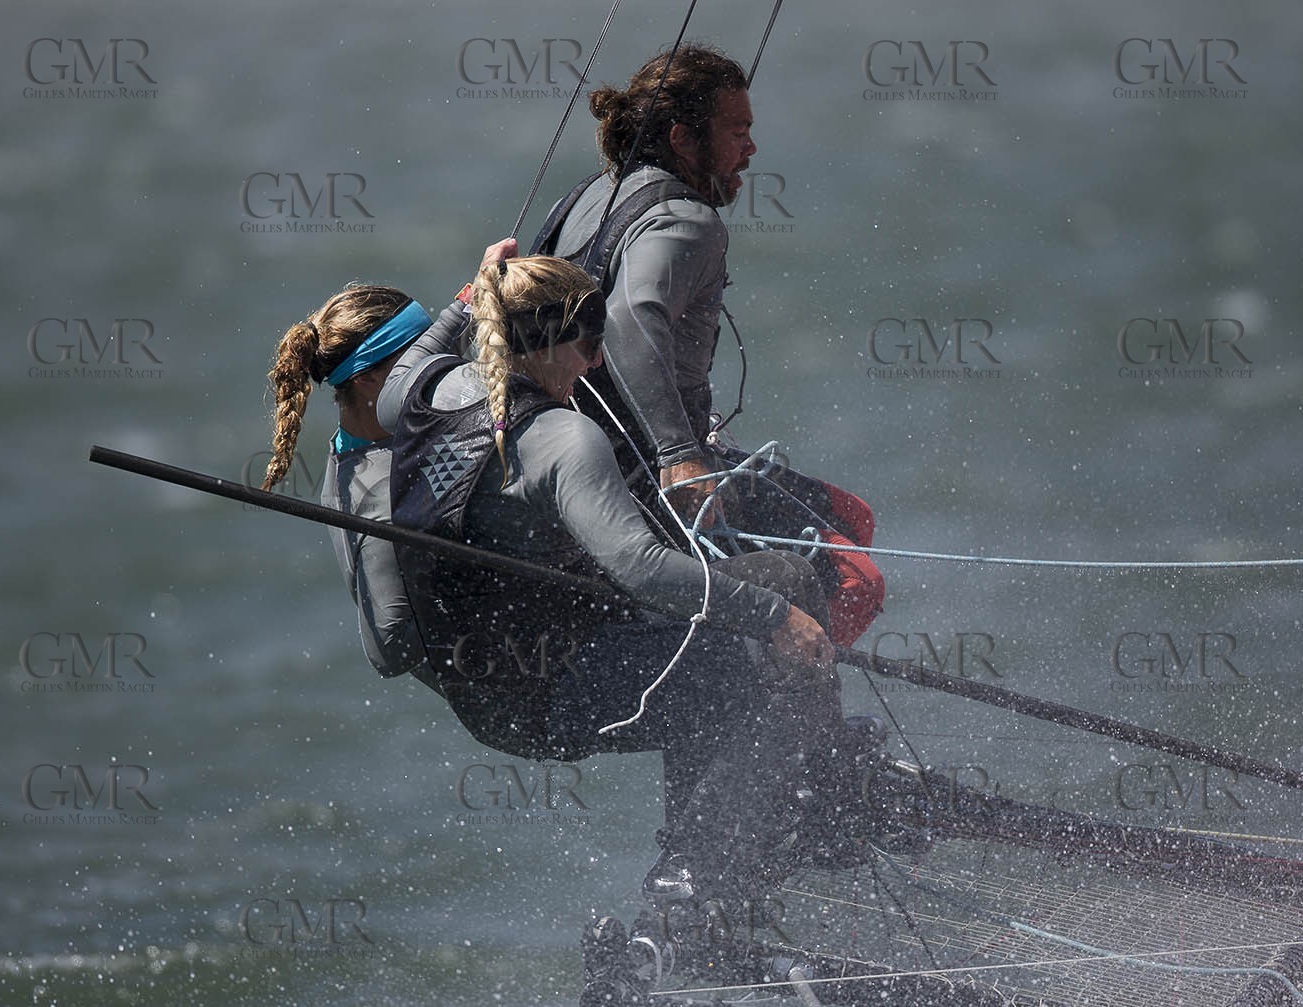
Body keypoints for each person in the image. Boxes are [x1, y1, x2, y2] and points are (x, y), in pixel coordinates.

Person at [376, 254, 870, 913]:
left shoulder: (418, 392)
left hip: (479, 686)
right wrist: (775, 619)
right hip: (542, 693)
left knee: (782, 575)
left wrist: (470, 296)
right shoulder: (563, 438)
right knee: (730, 666)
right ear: (550, 340)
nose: (595, 363)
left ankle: (812, 783)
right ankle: (697, 875)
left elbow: (422, 354)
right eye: (587, 343)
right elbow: (639, 567)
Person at [533, 44, 885, 647]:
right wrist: (679, 455)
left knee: (851, 517)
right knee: (855, 579)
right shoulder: (686, 220)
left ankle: (781, 679)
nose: (751, 149)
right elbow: (626, 317)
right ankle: (797, 715)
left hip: (585, 449)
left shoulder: (591, 194)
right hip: (643, 471)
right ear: (682, 138)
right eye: (737, 131)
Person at [260, 238, 513, 688]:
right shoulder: (377, 495)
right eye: (416, 360)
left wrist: (475, 295)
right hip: (504, 685)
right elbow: (389, 650)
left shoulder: (379, 413)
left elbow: (430, 350)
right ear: (368, 381)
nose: (439, 369)